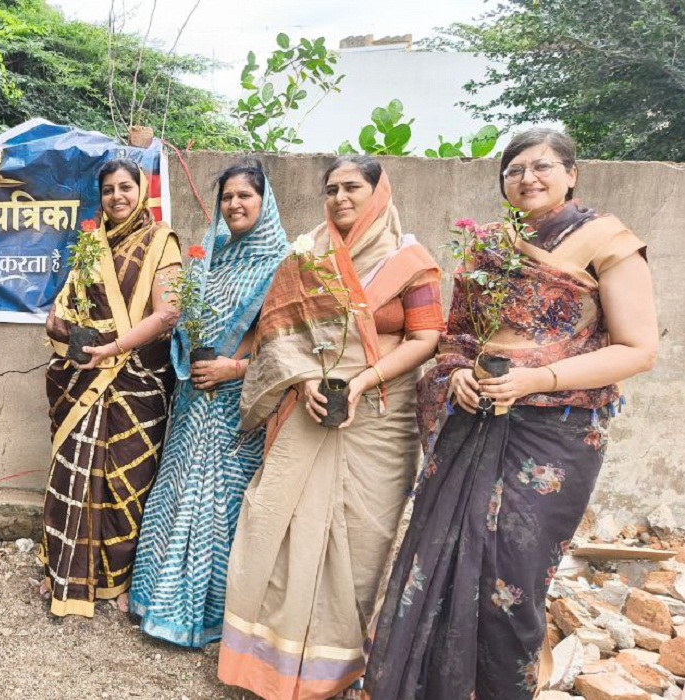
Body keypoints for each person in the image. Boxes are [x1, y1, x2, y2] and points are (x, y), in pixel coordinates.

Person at [365, 129, 658, 700]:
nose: (527, 178)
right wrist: (460, 377)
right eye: (514, 170)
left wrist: (536, 380)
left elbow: (638, 349)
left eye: (542, 166)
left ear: (571, 173)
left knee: (512, 579)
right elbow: (456, 338)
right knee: (440, 560)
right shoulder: (489, 245)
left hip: (555, 434)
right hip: (475, 423)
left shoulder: (608, 239)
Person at [218, 155, 443, 699]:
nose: (342, 197)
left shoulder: (411, 261)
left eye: (354, 187)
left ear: (378, 192)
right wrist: (301, 381)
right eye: (333, 188)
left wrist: (365, 379)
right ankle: (264, 663)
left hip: (379, 419)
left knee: (362, 540)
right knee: (278, 521)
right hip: (310, 408)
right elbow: (276, 338)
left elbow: (425, 338)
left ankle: (335, 668)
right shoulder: (305, 255)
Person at [129, 159, 288, 647]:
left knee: (221, 504)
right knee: (177, 490)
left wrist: (234, 368)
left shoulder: (281, 263)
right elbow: (183, 320)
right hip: (192, 398)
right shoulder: (209, 257)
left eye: (245, 196)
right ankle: (159, 602)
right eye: (227, 197)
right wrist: (189, 358)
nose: (235, 205)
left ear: (265, 203)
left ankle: (215, 614)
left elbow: (287, 343)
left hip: (237, 405)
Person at [40, 158, 181, 618]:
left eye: (125, 187)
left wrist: (113, 348)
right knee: (74, 472)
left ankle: (118, 580)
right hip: (87, 375)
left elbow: (169, 314)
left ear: (141, 191)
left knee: (127, 480)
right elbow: (67, 303)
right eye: (108, 190)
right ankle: (65, 570)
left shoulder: (163, 242)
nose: (117, 196)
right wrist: (64, 329)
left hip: (136, 380)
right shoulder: (89, 244)